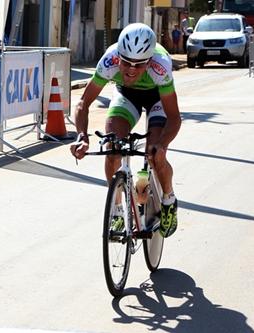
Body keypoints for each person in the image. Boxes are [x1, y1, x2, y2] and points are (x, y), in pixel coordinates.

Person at [70, 23, 181, 238]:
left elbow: (175, 117)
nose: (131, 69)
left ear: (149, 61)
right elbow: (83, 103)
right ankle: (118, 210)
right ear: (119, 56)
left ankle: (168, 200)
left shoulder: (161, 66)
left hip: (156, 97)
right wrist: (82, 136)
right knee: (112, 147)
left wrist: (162, 145)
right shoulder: (110, 60)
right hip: (126, 95)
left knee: (154, 154)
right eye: (126, 62)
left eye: (139, 65)